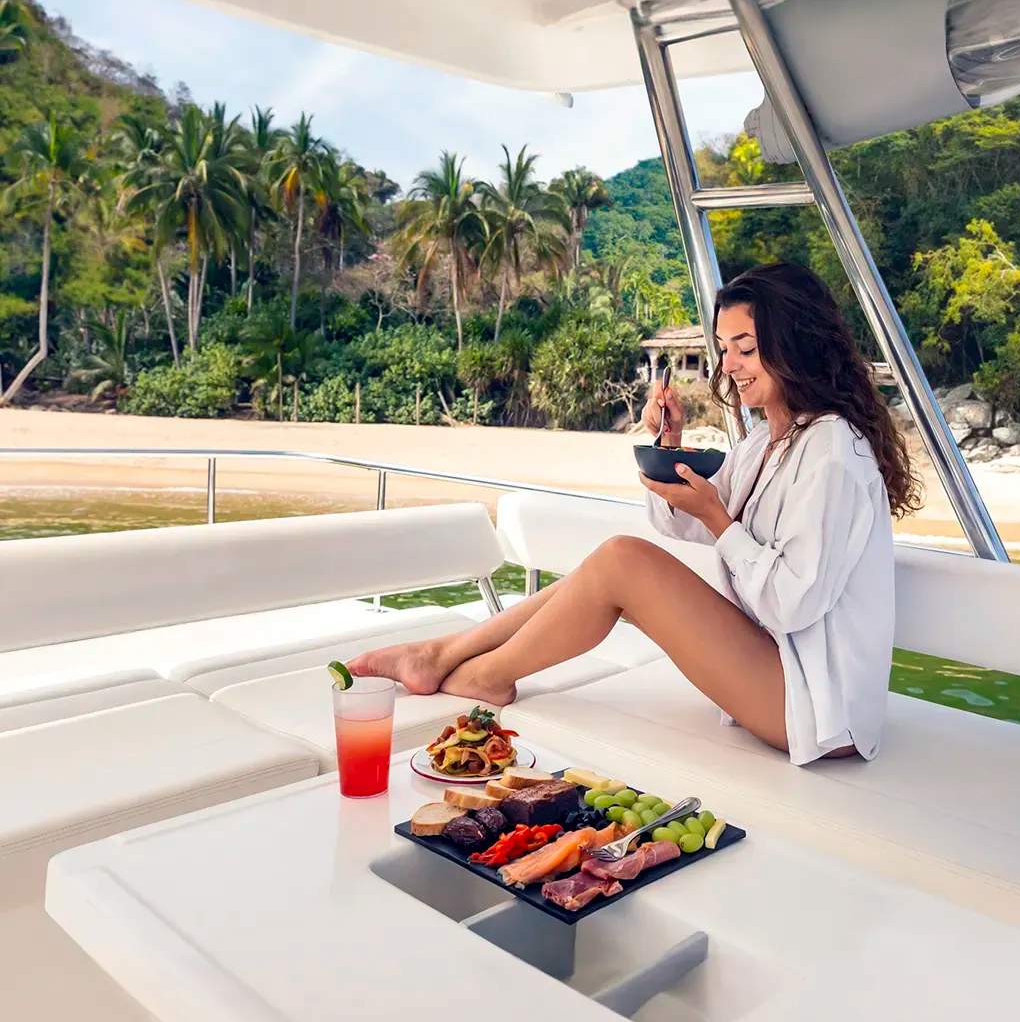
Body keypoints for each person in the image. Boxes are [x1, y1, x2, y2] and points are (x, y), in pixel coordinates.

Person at [350, 263, 920, 765]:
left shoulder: (832, 451)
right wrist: (670, 445)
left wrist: (721, 522)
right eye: (724, 349)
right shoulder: (768, 442)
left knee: (623, 561)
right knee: (612, 564)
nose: (730, 365)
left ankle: (481, 672)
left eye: (746, 348)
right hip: (776, 667)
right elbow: (680, 520)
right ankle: (447, 656)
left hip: (818, 706)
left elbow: (793, 602)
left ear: (796, 343)